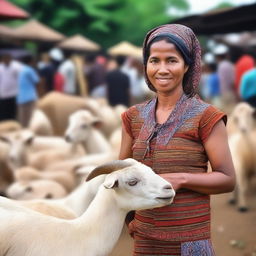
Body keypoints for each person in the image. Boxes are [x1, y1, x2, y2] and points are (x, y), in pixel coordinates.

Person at [119, 24, 236, 255]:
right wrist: (131, 222)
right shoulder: (132, 117)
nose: (162, 69)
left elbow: (227, 179)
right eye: (154, 61)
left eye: (171, 60)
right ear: (146, 66)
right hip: (145, 242)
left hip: (189, 243)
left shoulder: (206, 117)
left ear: (187, 66)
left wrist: (181, 179)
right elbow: (123, 175)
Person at [17, 55, 39, 127]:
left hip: (20, 97)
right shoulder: (29, 70)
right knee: (30, 118)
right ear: (31, 61)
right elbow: (36, 81)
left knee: (22, 119)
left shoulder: (20, 69)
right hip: (30, 96)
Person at [0, 53, 23, 121]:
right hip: (3, 94)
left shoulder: (17, 66)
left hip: (14, 93)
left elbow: (21, 76)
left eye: (8, 58)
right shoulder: (0, 67)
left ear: (10, 59)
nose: (6, 60)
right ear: (2, 60)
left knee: (13, 113)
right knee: (3, 113)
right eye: (4, 58)